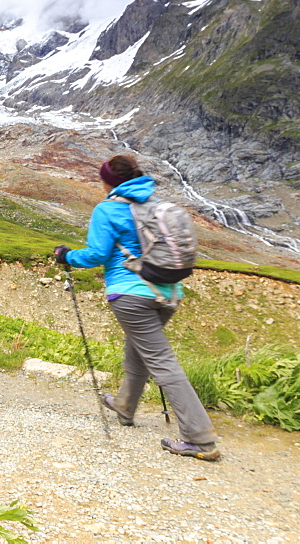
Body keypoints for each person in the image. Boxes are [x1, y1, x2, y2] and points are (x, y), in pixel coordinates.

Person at [53, 155, 220, 461]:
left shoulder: (109, 208)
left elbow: (96, 255)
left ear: (108, 181)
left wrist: (67, 256)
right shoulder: (154, 206)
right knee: (138, 349)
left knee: (161, 362)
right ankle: (125, 405)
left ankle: (200, 439)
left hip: (130, 294)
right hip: (168, 291)